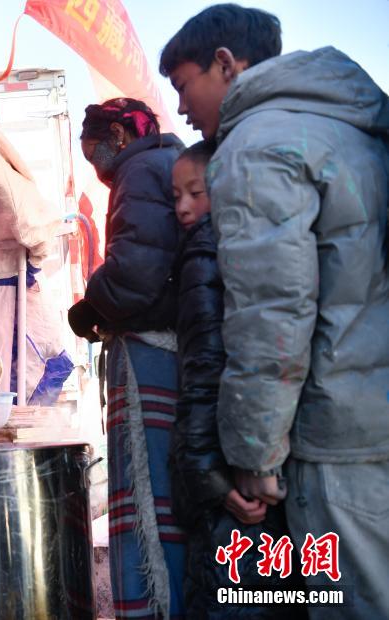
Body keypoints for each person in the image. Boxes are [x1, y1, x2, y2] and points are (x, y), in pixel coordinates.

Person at [160, 5, 389, 618]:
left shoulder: (257, 145)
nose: (181, 108)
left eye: (183, 85)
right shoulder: (351, 125)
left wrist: (255, 455)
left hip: (336, 435)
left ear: (225, 64)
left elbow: (271, 315)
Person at [170, 141, 305, 619]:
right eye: (175, 196)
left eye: (196, 192)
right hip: (268, 470)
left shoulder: (205, 253)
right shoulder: (264, 241)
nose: (183, 207)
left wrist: (210, 479)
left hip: (231, 480)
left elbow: (204, 373)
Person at [67, 98, 186, 619]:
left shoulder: (139, 171)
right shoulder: (167, 164)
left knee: (147, 497)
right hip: (174, 351)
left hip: (150, 356)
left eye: (93, 149)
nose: (95, 165)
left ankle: (154, 607)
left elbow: (136, 271)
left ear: (118, 134)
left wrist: (93, 302)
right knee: (169, 499)